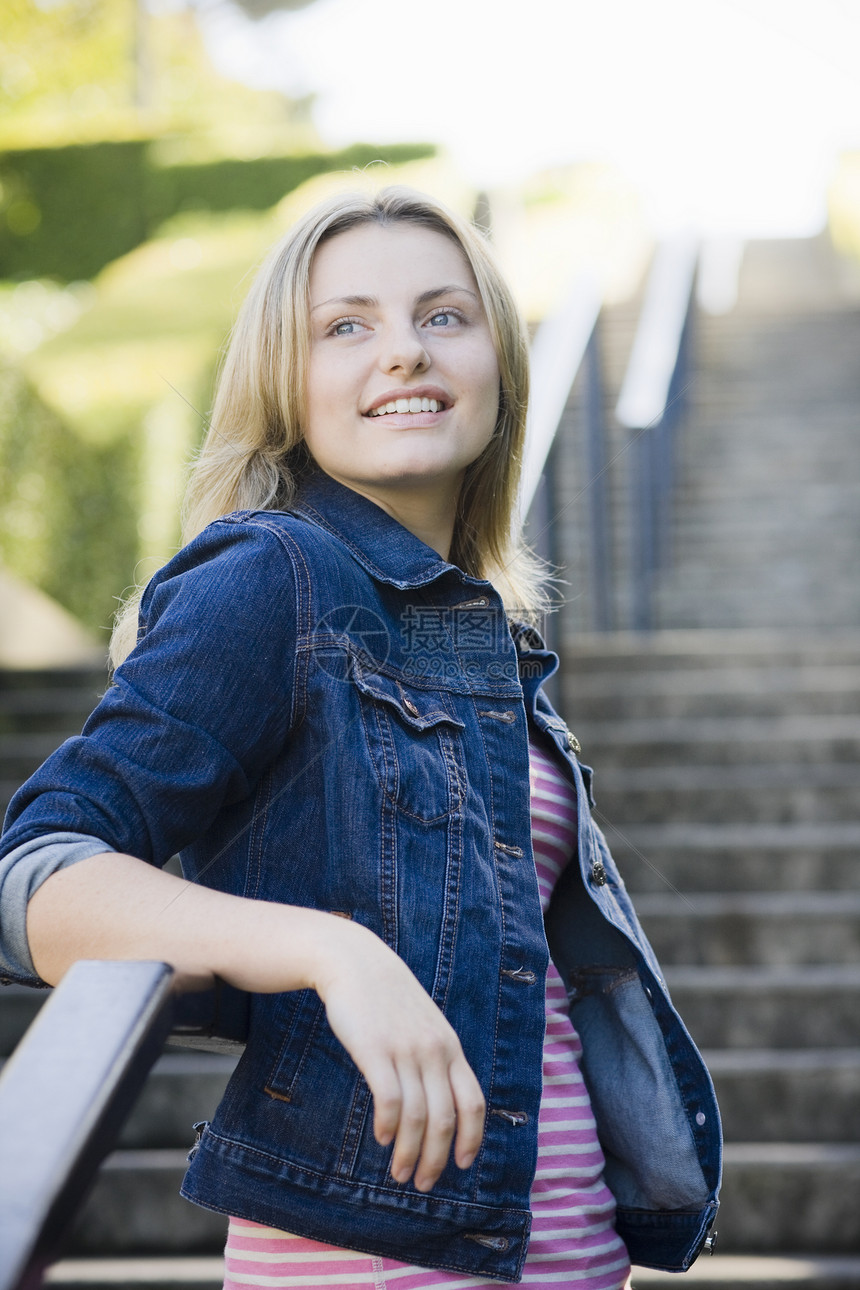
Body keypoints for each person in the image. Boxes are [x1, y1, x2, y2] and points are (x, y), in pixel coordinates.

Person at [0, 187, 720, 1289]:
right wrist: (331, 953)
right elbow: (37, 874)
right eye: (345, 326)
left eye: (443, 316)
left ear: (497, 364)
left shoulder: (475, 634)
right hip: (374, 1262)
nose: (403, 353)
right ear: (287, 385)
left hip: (566, 1250)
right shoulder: (271, 578)